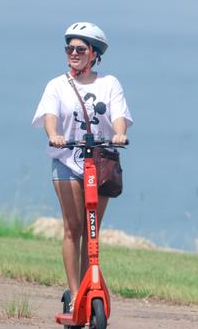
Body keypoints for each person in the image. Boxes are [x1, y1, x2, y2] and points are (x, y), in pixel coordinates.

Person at [31, 22, 132, 309]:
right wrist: (54, 135)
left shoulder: (109, 83)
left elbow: (118, 115)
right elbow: (50, 115)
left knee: (92, 229)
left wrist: (120, 132)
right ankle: (76, 293)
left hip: (99, 162)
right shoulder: (57, 85)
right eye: (69, 48)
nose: (73, 53)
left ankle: (91, 286)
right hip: (67, 160)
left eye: (80, 49)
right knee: (73, 227)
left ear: (94, 53)